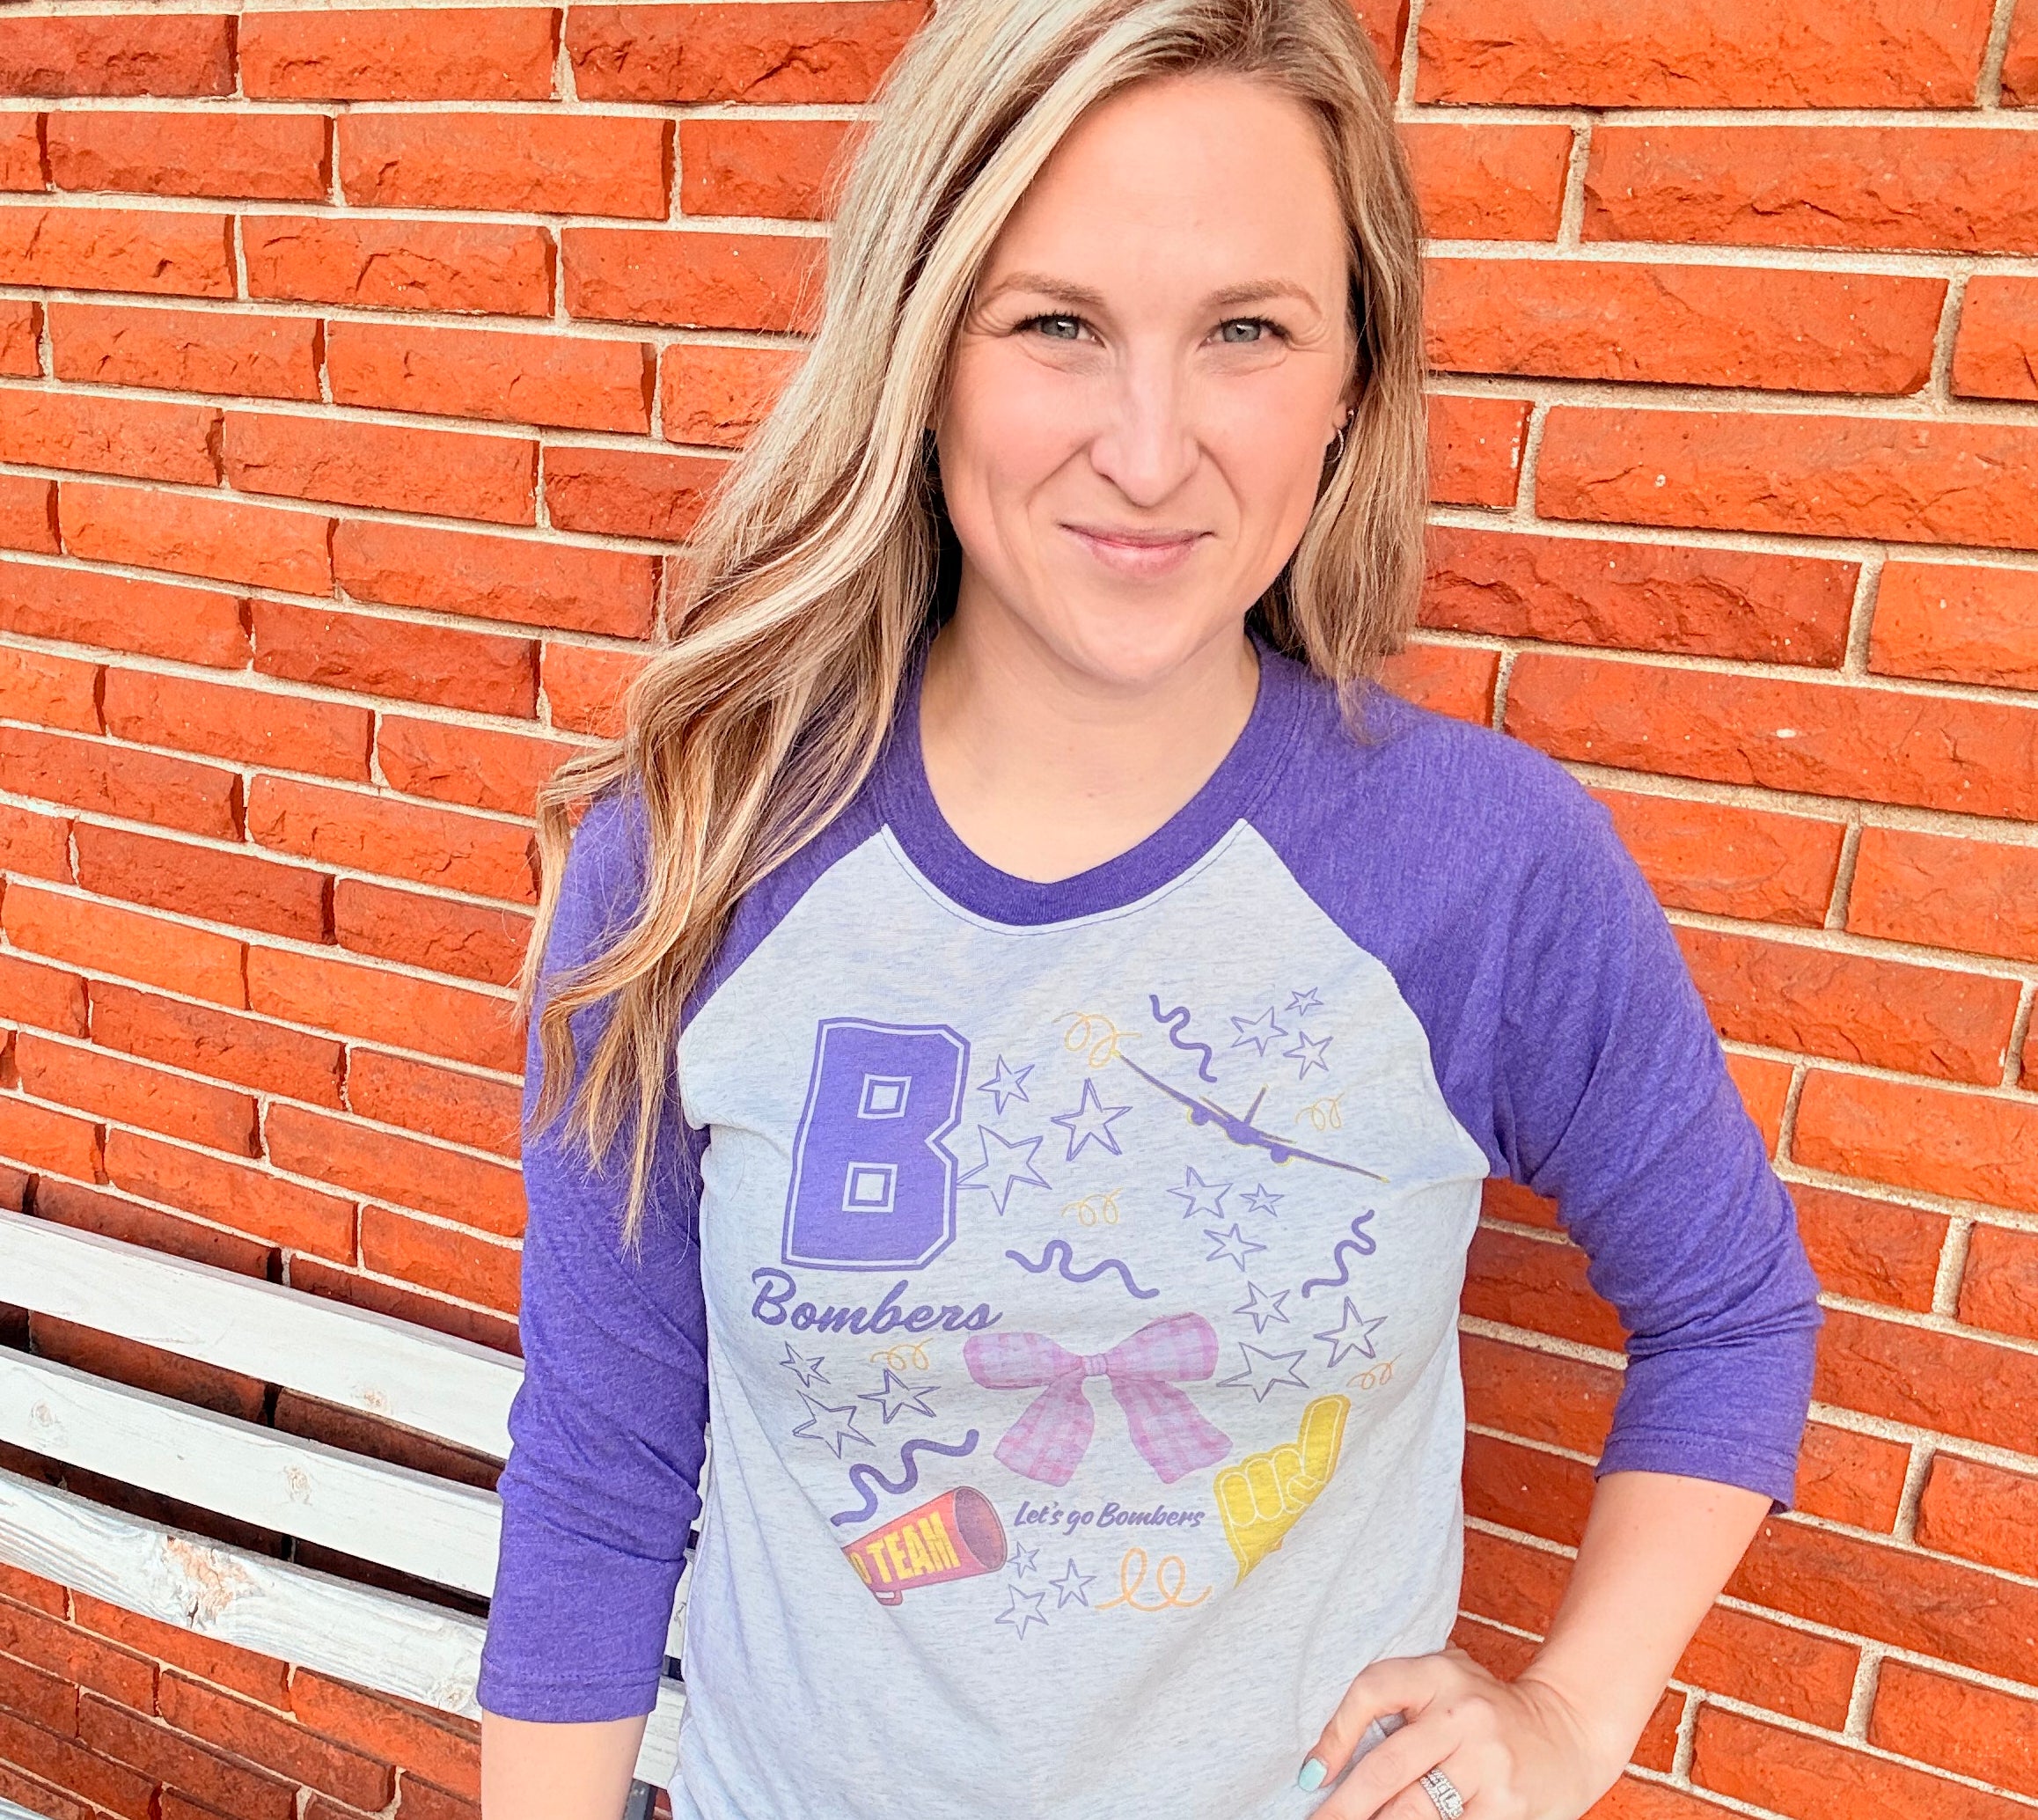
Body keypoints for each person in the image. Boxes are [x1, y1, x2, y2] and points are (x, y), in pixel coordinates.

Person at [475, 0, 1824, 1811]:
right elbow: (602, 1470)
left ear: (1351, 382)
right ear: (923, 353)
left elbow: (1733, 1310)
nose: (1147, 447)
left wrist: (1574, 1712)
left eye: (1247, 331)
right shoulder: (694, 860)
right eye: (1057, 324)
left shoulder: (1487, 866)